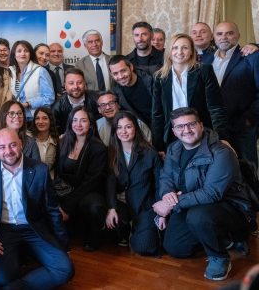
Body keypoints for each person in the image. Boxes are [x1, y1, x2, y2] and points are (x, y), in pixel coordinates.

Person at [153, 107, 254, 281]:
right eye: (180, 126)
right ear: (174, 131)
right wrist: (166, 195)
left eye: (191, 124)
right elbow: (166, 177)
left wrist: (170, 205)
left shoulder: (221, 152)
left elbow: (212, 193)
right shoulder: (174, 148)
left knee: (198, 217)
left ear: (201, 125)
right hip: (190, 203)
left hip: (231, 209)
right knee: (175, 247)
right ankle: (221, 238)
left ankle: (220, 257)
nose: (186, 130)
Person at [0, 128, 74, 289]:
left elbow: (52, 210)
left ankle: (15, 287)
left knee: (65, 269)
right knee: (0, 277)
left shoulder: (40, 169)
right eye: (2, 147)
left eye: (13, 145)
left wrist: (64, 245)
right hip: (3, 230)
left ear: (21, 144)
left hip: (34, 229)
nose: (8, 151)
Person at [151, 33, 229, 152]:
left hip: (201, 133)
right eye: (175, 48)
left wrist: (221, 137)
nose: (179, 52)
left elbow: (216, 108)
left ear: (192, 51)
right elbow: (157, 114)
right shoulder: (160, 77)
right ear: (169, 52)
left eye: (185, 48)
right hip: (173, 136)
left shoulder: (204, 71)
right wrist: (158, 146)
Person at [201, 22, 259, 166]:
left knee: (246, 169)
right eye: (219, 34)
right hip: (212, 127)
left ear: (238, 35)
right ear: (213, 37)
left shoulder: (251, 57)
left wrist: (250, 118)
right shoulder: (205, 60)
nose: (224, 37)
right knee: (217, 168)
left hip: (242, 127)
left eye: (229, 33)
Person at [105, 111, 161, 255]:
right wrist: (111, 208)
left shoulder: (150, 153)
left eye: (128, 127)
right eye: (119, 127)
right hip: (122, 203)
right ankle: (127, 229)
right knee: (112, 229)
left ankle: (136, 231)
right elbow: (110, 182)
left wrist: (160, 212)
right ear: (115, 130)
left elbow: (159, 184)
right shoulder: (111, 152)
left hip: (144, 205)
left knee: (145, 248)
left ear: (136, 128)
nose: (123, 131)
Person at [55, 106, 107, 252]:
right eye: (75, 120)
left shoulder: (98, 148)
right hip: (65, 188)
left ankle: (93, 237)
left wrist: (66, 207)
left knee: (94, 206)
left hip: (88, 191)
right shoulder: (63, 141)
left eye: (83, 120)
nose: (78, 124)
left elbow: (90, 183)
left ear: (90, 123)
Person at [9, 40, 55, 121]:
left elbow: (49, 97)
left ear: (30, 54)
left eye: (26, 51)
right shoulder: (9, 71)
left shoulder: (40, 71)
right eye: (19, 51)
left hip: (35, 117)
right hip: (15, 118)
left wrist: (28, 104)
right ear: (14, 55)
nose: (23, 53)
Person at [108, 55, 153, 127]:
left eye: (123, 71)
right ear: (111, 75)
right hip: (143, 128)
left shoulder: (150, 78)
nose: (120, 76)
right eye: (115, 73)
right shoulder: (115, 92)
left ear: (131, 67)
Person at [52, 68, 100, 134]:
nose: (75, 87)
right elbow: (55, 131)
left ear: (84, 84)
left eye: (79, 83)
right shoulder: (57, 107)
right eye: (71, 83)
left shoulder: (97, 99)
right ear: (65, 85)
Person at [30, 106, 58, 175]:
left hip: (49, 179)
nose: (40, 122)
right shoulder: (28, 139)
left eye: (45, 118)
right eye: (37, 118)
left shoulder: (56, 142)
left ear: (50, 121)